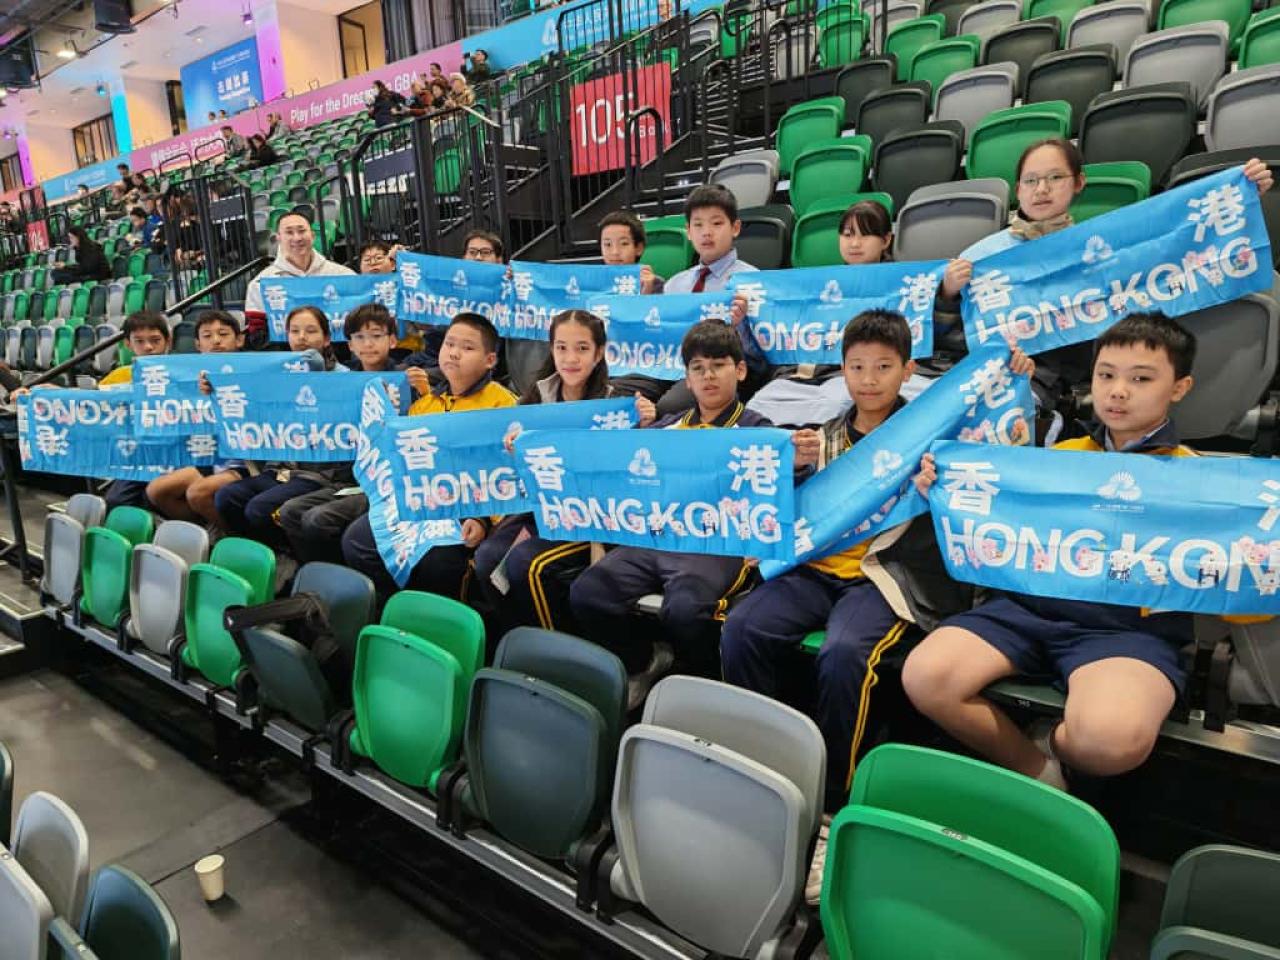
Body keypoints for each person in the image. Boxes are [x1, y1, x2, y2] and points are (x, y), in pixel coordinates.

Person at [721, 311, 1032, 902]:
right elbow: (774, 506)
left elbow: (1003, 447)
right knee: (742, 627)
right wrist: (793, 470)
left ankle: (835, 807)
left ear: (907, 370)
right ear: (841, 370)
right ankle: (766, 769)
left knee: (845, 654)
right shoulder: (820, 436)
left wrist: (1010, 379)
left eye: (883, 367)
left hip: (881, 578)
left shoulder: (928, 438)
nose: (869, 379)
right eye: (857, 367)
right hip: (814, 571)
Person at [905, 313, 1204, 791]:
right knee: (926, 676)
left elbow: (1239, 594)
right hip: (1025, 610)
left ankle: (1051, 741)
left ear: (1180, 387)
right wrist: (941, 492)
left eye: (1141, 379)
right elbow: (990, 524)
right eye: (1106, 375)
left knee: (1109, 742)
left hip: (1126, 632)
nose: (1118, 391)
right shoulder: (1055, 457)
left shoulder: (1202, 482)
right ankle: (1036, 769)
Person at [935, 141, 1274, 411]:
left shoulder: (1101, 249)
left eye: (1055, 178)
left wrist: (1238, 198)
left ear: (1078, 183)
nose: (1042, 189)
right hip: (971, 372)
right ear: (1018, 189)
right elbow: (942, 335)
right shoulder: (983, 254)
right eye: (1031, 180)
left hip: (1042, 382)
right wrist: (948, 294)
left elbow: (1177, 249)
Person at [569, 320, 773, 697]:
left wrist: (799, 461)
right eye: (698, 368)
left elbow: (781, 486)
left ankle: (702, 681)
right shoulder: (666, 429)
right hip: (657, 538)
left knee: (684, 608)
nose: (708, 376)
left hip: (717, 547)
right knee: (589, 591)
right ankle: (643, 661)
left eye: (718, 365)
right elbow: (611, 462)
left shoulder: (758, 430)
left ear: (741, 370)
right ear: (687, 379)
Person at [472, 310, 656, 638]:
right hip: (541, 513)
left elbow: (633, 471)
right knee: (487, 559)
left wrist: (644, 426)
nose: (571, 358)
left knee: (527, 565)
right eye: (561, 348)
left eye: (582, 348)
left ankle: (557, 653)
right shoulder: (534, 401)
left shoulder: (616, 406)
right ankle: (520, 640)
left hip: (591, 520)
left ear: (599, 353)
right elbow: (510, 476)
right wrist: (513, 452)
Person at [340, 312, 518, 597]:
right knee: (357, 540)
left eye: (468, 347)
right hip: (421, 502)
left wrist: (482, 519)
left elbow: (509, 476)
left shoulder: (505, 406)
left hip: (467, 511)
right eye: (450, 344)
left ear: (490, 360)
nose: (455, 353)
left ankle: (440, 618)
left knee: (437, 561)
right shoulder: (425, 404)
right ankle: (395, 607)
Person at [748, 199, 899, 427]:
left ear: (886, 240)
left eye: (865, 235)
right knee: (756, 407)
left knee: (832, 407)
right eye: (847, 235)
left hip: (851, 375)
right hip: (806, 374)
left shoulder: (903, 285)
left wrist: (946, 292)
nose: (854, 243)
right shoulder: (820, 286)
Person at [278, 304, 403, 565]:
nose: (368, 344)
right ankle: (316, 572)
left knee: (317, 519)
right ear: (350, 344)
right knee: (290, 512)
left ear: (392, 340)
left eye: (376, 335)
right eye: (359, 337)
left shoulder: (404, 378)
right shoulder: (339, 382)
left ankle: (346, 578)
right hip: (345, 477)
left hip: (385, 484)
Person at [213, 306, 346, 544]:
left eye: (310, 331)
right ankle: (259, 552)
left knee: (258, 508)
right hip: (279, 468)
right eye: (294, 331)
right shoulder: (276, 375)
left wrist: (319, 381)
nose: (302, 337)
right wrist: (214, 390)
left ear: (326, 338)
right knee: (227, 497)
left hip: (318, 471)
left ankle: (286, 554)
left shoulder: (344, 377)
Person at [656, 183, 765, 417]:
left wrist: (741, 326)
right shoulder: (674, 285)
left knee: (669, 407)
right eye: (698, 225)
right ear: (688, 231)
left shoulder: (752, 281)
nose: (706, 232)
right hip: (670, 366)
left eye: (716, 223)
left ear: (735, 228)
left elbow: (760, 358)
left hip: (715, 370)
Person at [144, 311, 248, 526]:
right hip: (204, 456)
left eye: (223, 334)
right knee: (156, 490)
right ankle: (205, 529)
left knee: (198, 492)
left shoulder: (254, 373)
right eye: (207, 336)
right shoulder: (186, 378)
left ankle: (233, 536)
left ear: (239, 339)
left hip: (244, 463)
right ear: (198, 345)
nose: (216, 341)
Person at [243, 213, 354, 341]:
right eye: (289, 232)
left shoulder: (343, 275)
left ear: (312, 235)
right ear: (278, 238)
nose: (297, 238)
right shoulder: (260, 284)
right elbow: (257, 334)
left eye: (302, 231)